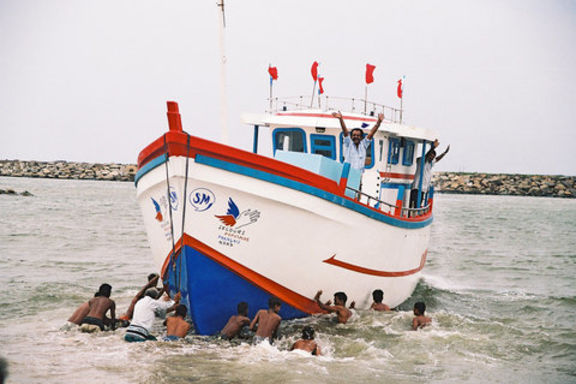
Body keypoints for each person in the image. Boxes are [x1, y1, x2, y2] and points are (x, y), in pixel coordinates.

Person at [410, 139, 450, 210]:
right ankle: (410, 214)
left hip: (424, 188)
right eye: (430, 156)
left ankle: (415, 213)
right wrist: (433, 147)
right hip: (416, 187)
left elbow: (437, 159)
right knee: (413, 203)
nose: (431, 157)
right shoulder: (422, 160)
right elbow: (426, 155)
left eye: (433, 156)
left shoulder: (430, 162)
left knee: (419, 204)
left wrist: (445, 153)